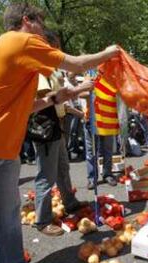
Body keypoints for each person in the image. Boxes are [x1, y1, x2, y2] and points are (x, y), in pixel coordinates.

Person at [0, 3, 119, 263]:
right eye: (41, 20)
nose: (44, 28)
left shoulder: (16, 54)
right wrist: (110, 53)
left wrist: (61, 96)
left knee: (8, 218)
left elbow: (26, 106)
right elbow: (76, 63)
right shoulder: (20, 40)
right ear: (27, 20)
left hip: (4, 151)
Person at [31, 30, 89, 237]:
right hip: (45, 126)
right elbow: (46, 97)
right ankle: (43, 219)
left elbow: (62, 97)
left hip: (58, 123)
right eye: (54, 47)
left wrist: (81, 91)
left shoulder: (52, 70)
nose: (58, 52)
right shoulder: (40, 70)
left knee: (63, 167)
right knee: (46, 175)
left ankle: (70, 201)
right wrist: (79, 88)